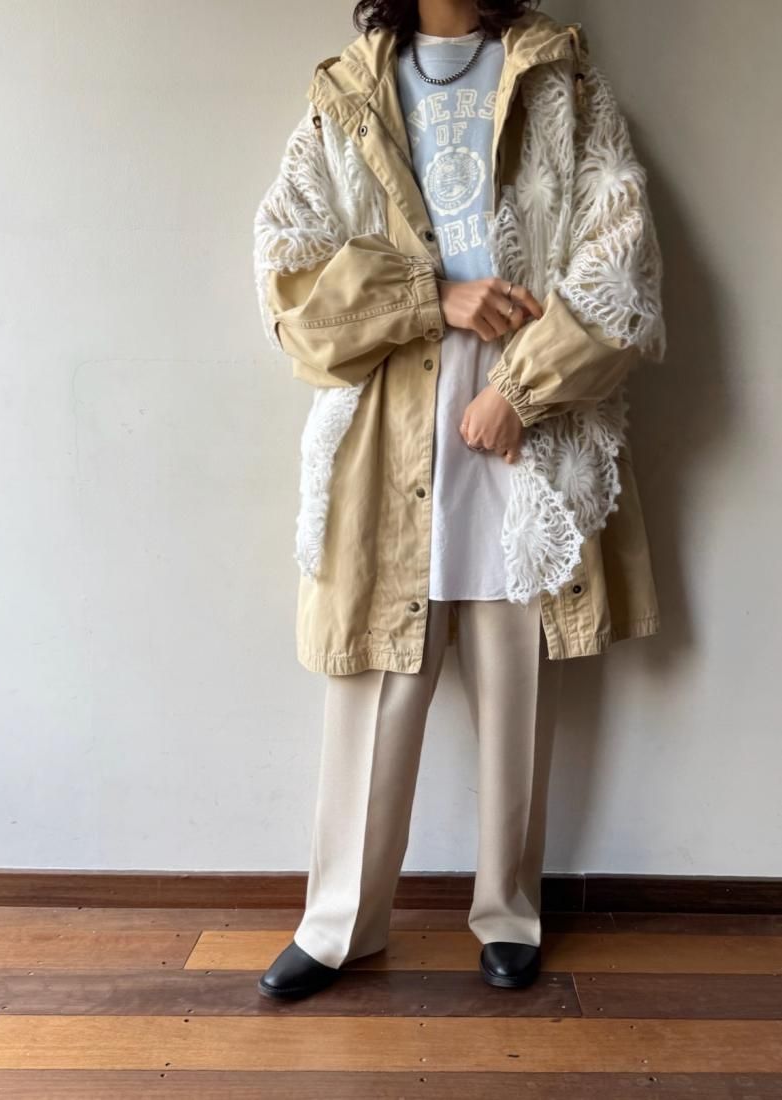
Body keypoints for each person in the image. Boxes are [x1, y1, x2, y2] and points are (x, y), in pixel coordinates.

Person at [252, 0, 665, 999]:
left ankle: (509, 910)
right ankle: (339, 922)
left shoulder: (562, 77)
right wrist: (430, 297)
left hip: (530, 402)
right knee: (377, 668)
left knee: (516, 665)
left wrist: (521, 391)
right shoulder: (348, 91)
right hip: (393, 401)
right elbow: (288, 274)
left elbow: (621, 254)